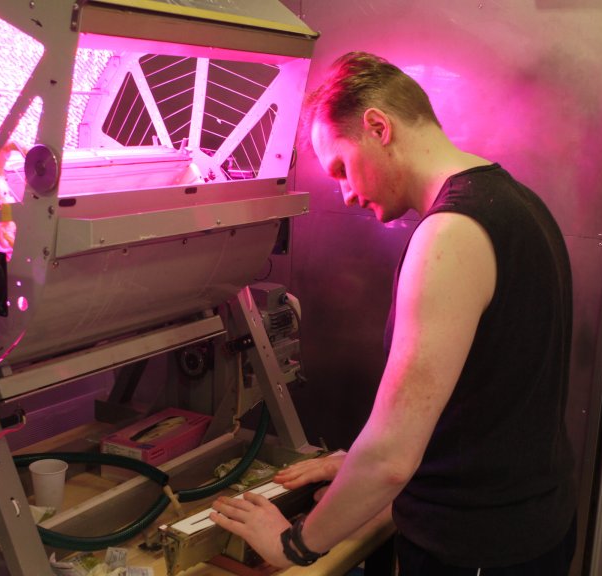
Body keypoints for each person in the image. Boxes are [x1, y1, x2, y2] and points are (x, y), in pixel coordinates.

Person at [210, 51, 577, 575]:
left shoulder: (450, 233)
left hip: (476, 549)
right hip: (532, 528)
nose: (344, 193)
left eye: (341, 168)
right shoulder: (515, 201)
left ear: (378, 127)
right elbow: (487, 400)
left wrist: (293, 545)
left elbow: (390, 459)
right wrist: (353, 467)